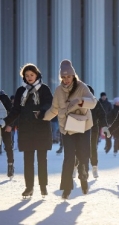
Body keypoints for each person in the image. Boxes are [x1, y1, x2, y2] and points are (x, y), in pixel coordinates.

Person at [43, 59, 97, 199]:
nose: (66, 79)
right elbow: (54, 109)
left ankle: (83, 176)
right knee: (68, 158)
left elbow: (93, 103)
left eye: (68, 76)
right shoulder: (58, 90)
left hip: (83, 126)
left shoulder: (81, 87)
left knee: (83, 155)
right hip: (66, 128)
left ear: (73, 75)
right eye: (63, 77)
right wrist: (43, 118)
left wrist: (80, 101)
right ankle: (66, 188)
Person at [2, 63, 53, 198]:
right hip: (26, 129)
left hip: (41, 127)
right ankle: (29, 187)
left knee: (42, 160)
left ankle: (43, 186)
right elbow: (16, 110)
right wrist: (6, 121)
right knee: (28, 160)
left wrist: (42, 110)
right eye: (27, 75)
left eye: (32, 75)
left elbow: (49, 103)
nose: (29, 77)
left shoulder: (44, 89)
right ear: (24, 77)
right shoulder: (20, 91)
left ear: (37, 75)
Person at [87, 85, 107, 178]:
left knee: (92, 148)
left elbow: (102, 115)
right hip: (80, 128)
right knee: (78, 148)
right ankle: (75, 166)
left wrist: (104, 126)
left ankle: (94, 167)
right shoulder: (79, 101)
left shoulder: (96, 102)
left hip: (93, 128)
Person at [0, 90, 14, 179]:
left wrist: (10, 125)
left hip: (5, 125)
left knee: (8, 146)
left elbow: (12, 112)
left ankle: (10, 166)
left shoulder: (3, 96)